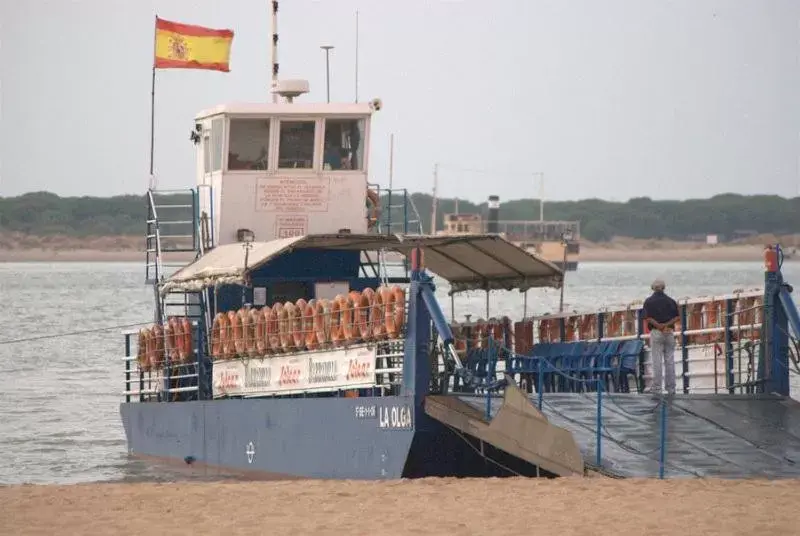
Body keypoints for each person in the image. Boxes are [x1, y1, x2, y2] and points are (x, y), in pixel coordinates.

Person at [642, 278, 679, 395]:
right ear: (664, 288)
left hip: (656, 332)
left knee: (656, 361)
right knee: (670, 361)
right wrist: (666, 325)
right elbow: (677, 317)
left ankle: (657, 388)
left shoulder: (648, 301)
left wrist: (659, 326)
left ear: (653, 288)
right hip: (669, 332)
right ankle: (671, 388)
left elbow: (647, 317)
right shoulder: (671, 301)